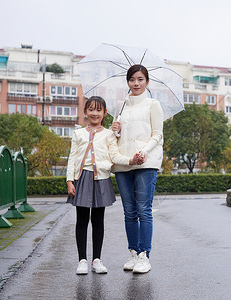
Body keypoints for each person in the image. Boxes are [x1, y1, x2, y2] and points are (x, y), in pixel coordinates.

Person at [66, 96, 143, 275]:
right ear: (85, 111)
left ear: (105, 113)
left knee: (98, 221)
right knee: (82, 220)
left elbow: (115, 156)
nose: (94, 113)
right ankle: (82, 260)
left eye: (98, 110)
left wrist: (130, 160)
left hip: (101, 179)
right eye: (91, 109)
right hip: (82, 178)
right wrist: (70, 180)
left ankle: (97, 260)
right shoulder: (78, 134)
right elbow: (72, 157)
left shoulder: (109, 134)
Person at [111, 64, 163, 274]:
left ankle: (144, 256)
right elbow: (114, 137)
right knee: (129, 211)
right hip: (124, 163)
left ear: (147, 82)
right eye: (132, 79)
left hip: (145, 162)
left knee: (144, 210)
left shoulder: (153, 104)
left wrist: (143, 152)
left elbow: (158, 134)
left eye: (140, 79)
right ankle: (133, 253)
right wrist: (114, 130)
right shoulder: (120, 106)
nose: (136, 83)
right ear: (128, 82)